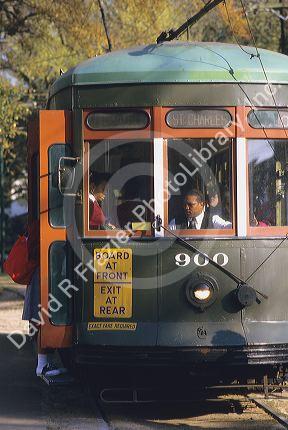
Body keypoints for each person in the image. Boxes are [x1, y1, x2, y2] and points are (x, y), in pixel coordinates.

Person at [22, 221, 68, 379]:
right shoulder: (42, 226)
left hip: (44, 273)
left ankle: (45, 363)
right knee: (41, 318)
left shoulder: (37, 225)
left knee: (43, 317)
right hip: (42, 274)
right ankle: (41, 365)